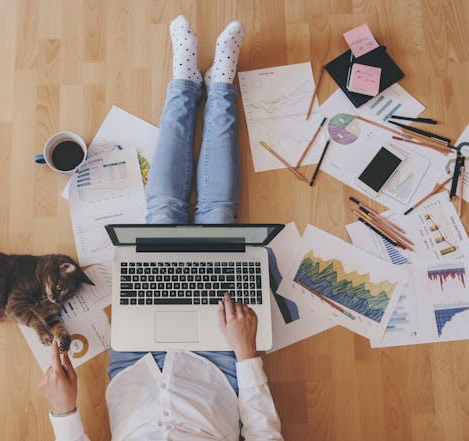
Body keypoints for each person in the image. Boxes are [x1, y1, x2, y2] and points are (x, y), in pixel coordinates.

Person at [39, 16, 283, 440]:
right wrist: (246, 355)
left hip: (135, 367)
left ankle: (185, 82)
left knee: (164, 215)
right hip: (218, 366)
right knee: (218, 216)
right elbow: (263, 433)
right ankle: (222, 85)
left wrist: (65, 414)